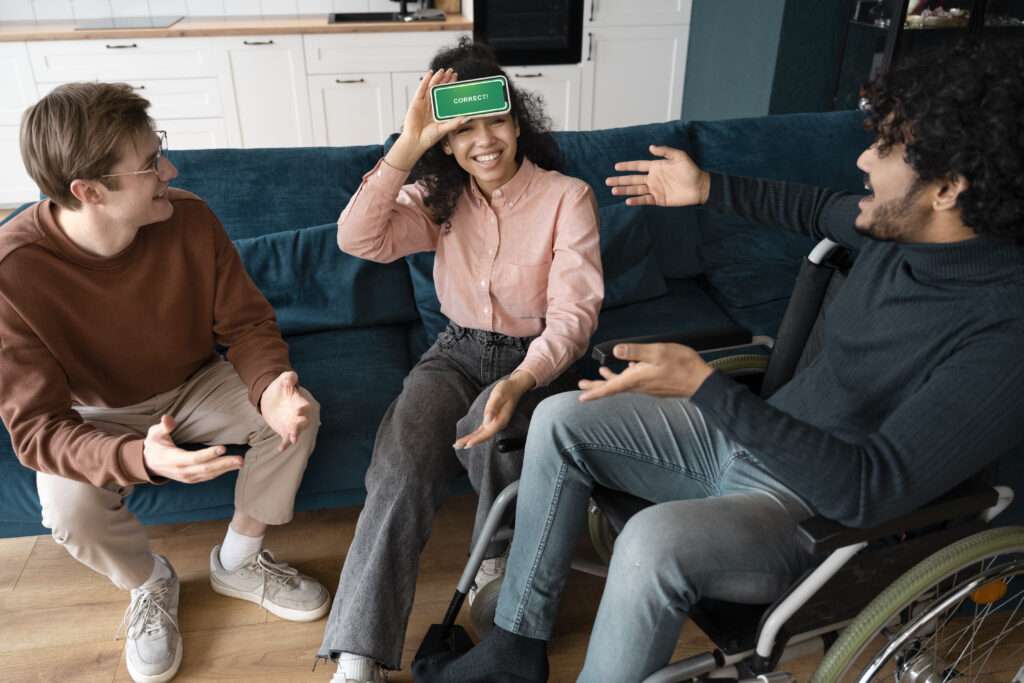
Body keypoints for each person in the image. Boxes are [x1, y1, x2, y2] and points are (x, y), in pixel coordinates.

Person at [414, 39, 1024, 683]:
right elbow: (815, 208)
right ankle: (515, 644)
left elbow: (866, 487)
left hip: (808, 515)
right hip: (754, 433)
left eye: (889, 148)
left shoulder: (1004, 334)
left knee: (651, 541)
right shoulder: (896, 228)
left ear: (948, 189)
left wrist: (705, 387)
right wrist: (707, 186)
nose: (864, 158)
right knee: (562, 418)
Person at [1, 82, 329, 683]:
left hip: (196, 383)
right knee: (70, 508)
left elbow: (248, 323)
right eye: (151, 163)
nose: (170, 170)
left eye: (161, 150)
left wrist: (272, 384)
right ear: (89, 192)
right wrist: (136, 457)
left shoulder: (189, 218)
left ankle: (239, 560)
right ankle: (148, 583)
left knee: (294, 413)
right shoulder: (12, 271)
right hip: (93, 414)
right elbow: (38, 430)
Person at [318, 39, 603, 683]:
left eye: (496, 121)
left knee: (493, 433)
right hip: (454, 351)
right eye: (463, 128)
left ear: (518, 121)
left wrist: (523, 378)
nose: (485, 141)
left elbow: (573, 317)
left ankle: (498, 557)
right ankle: (358, 656)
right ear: (446, 141)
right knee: (399, 465)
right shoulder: (438, 198)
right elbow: (357, 237)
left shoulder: (567, 198)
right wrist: (409, 143)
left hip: (537, 360)